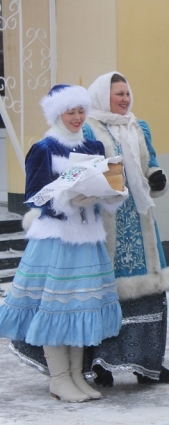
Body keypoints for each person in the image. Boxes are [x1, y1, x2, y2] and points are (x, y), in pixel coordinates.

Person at [0, 85, 124, 402]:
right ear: (58, 113)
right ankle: (58, 379)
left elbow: (109, 187)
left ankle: (75, 376)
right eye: (71, 112)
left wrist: (106, 193)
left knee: (80, 306)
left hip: (88, 238)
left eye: (81, 110)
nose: (77, 117)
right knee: (57, 308)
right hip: (56, 239)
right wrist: (67, 199)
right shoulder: (44, 148)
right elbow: (34, 196)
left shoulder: (94, 145)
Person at [82, 72, 169, 386]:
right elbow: (82, 173)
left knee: (150, 292)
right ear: (103, 96)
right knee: (106, 293)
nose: (125, 99)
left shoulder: (138, 127)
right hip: (107, 221)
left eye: (127, 93)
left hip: (140, 222)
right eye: (118, 94)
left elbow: (149, 161)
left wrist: (157, 177)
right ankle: (101, 363)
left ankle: (149, 363)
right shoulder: (89, 127)